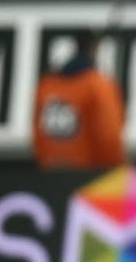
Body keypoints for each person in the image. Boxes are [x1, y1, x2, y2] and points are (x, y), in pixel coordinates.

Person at [33, 36, 126, 169]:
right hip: (92, 173)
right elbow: (109, 135)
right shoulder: (98, 85)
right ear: (95, 50)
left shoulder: (46, 86)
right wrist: (116, 168)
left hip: (50, 169)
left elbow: (38, 133)